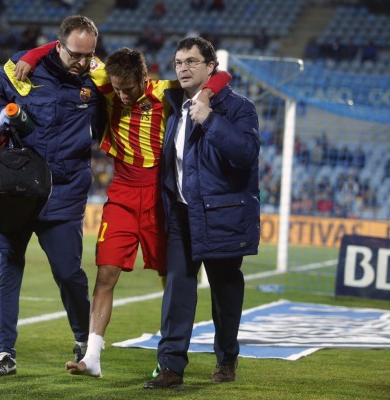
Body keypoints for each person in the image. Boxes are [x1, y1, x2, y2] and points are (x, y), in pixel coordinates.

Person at [15, 45, 231, 378]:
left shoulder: (167, 90)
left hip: (162, 197)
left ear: (144, 79)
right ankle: (92, 357)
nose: (121, 95)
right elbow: (64, 48)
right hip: (122, 194)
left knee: (172, 279)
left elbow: (221, 76)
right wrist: (30, 56)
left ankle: (173, 354)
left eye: (128, 89)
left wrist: (204, 97)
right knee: (105, 274)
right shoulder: (107, 76)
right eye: (116, 88)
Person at [0, 15, 105, 377]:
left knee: (68, 272)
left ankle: (82, 337)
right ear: (58, 46)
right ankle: (4, 353)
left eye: (89, 55)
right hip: (16, 188)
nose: (83, 62)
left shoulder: (97, 79)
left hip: (65, 191)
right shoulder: (21, 68)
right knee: (7, 265)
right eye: (76, 54)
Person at [143, 36, 260, 389]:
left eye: (192, 61)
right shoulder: (173, 105)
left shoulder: (239, 108)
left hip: (221, 215)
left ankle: (227, 359)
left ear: (211, 67)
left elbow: (244, 154)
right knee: (178, 289)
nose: (183, 68)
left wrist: (209, 118)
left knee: (225, 293)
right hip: (182, 215)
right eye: (179, 62)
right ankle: (171, 367)